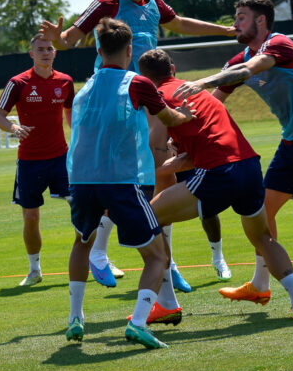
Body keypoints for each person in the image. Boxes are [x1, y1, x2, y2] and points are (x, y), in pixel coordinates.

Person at [39, 0, 234, 292]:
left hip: (148, 94)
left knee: (162, 174)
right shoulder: (107, 3)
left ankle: (166, 263)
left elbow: (182, 23)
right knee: (119, 176)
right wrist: (58, 38)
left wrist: (225, 30)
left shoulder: (154, 3)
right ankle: (99, 252)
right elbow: (69, 38)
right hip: (114, 96)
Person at [173, 0, 293, 314]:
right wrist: (182, 132)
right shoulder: (239, 59)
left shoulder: (280, 45)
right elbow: (213, 103)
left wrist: (202, 80)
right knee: (260, 214)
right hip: (291, 145)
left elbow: (254, 66)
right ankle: (260, 285)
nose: (235, 23)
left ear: (261, 21)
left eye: (241, 17)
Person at [141, 49, 293, 323]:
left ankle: (166, 304)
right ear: (172, 69)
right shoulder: (196, 91)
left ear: (144, 78)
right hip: (248, 167)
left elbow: (163, 147)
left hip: (218, 172)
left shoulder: (158, 99)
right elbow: (198, 153)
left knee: (147, 218)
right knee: (263, 237)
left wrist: (153, 168)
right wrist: (167, 166)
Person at [64, 18, 196, 350]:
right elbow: (169, 118)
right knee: (157, 257)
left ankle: (75, 319)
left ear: (98, 50)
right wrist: (188, 115)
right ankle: (138, 322)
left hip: (81, 181)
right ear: (129, 50)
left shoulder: (88, 86)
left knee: (82, 243)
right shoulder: (137, 83)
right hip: (122, 182)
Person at [0, 34, 75, 286]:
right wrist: (14, 129)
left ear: (55, 53)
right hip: (29, 161)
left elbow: (71, 113)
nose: (45, 52)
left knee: (82, 207)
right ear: (31, 54)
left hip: (61, 157)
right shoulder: (17, 83)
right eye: (40, 49)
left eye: (49, 48)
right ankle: (34, 269)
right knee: (30, 216)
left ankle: (96, 258)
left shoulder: (66, 81)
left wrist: (79, 139)